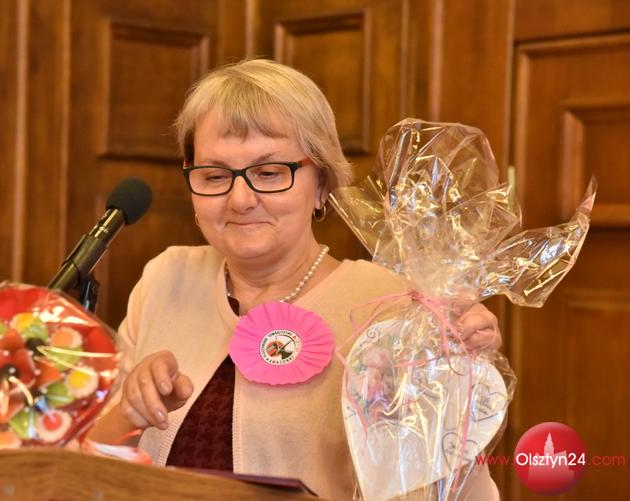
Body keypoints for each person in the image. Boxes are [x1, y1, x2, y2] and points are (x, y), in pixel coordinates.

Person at [88, 59, 501, 499]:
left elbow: (452, 488)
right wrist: (129, 411)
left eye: (268, 173)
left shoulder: (391, 306)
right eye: (215, 176)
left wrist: (459, 379)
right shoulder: (167, 277)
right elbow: (86, 466)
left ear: (321, 183)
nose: (240, 199)